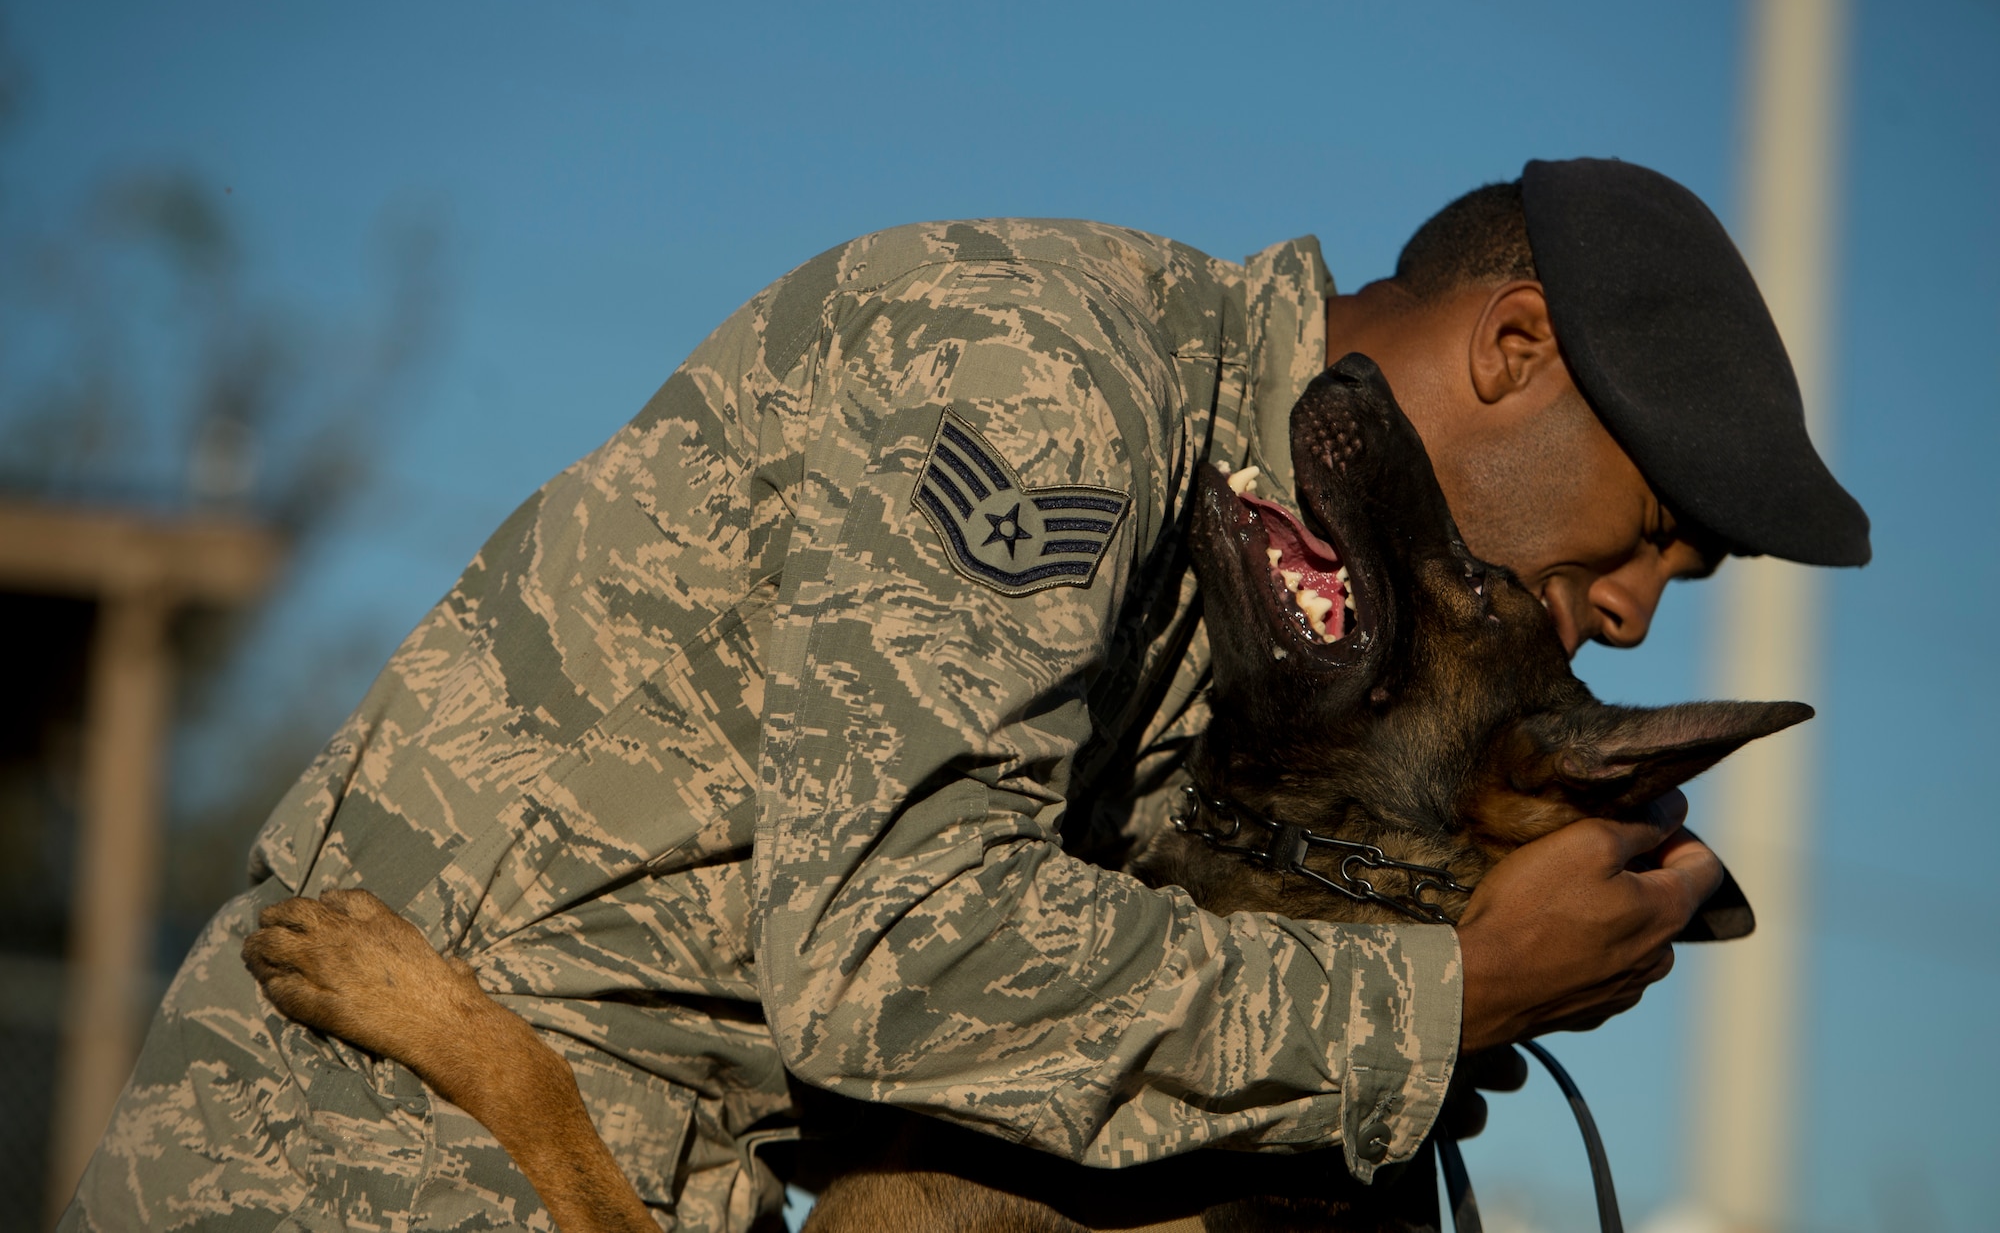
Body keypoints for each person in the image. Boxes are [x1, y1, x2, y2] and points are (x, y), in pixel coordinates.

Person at [60, 158, 1868, 1232]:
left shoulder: (1280, 588)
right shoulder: (1046, 383)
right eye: (1651, 538)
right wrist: (1442, 998)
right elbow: (890, 958)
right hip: (397, 1151)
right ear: (1516, 347)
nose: (1629, 615)